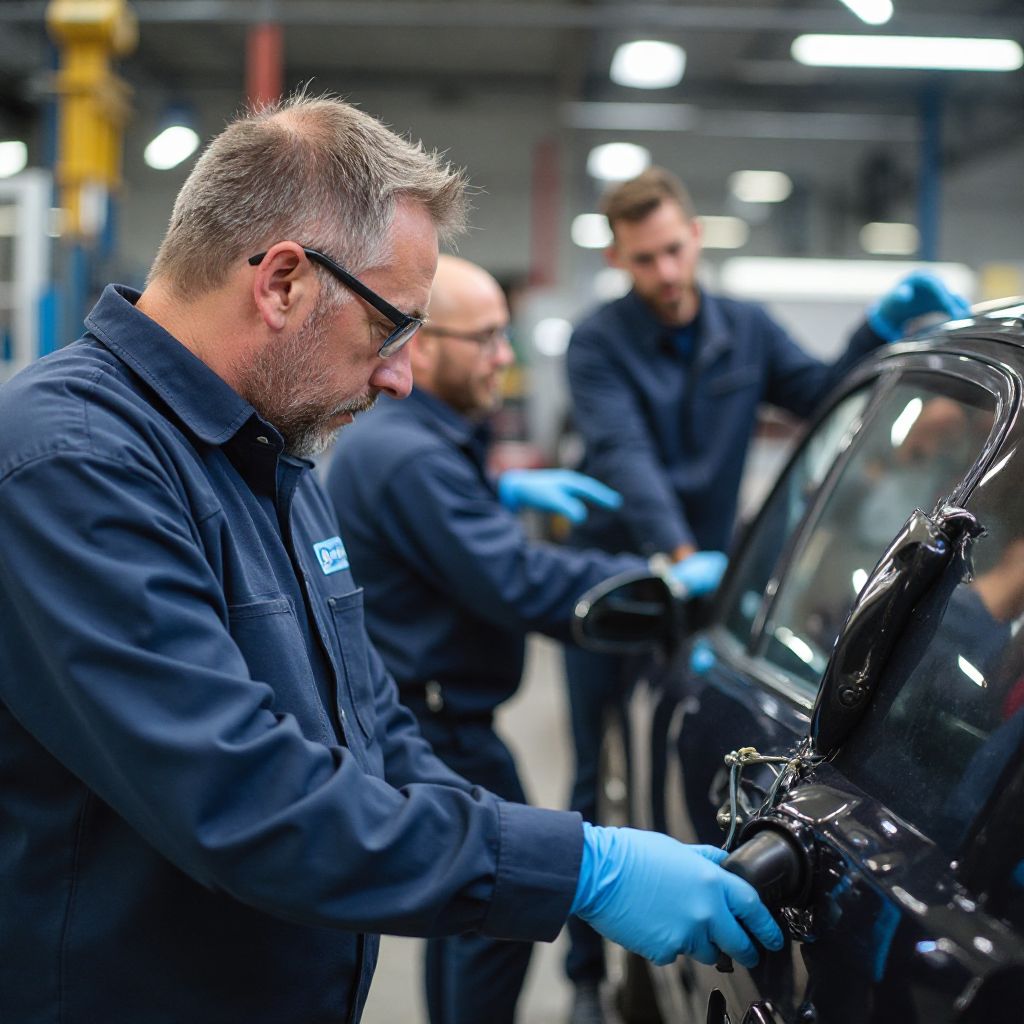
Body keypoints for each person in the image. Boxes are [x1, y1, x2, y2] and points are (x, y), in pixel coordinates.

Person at [0, 97, 783, 1024]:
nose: (400, 377)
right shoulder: (75, 464)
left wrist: (572, 846)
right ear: (283, 282)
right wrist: (580, 874)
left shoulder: (270, 455)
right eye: (389, 329)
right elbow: (245, 801)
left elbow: (369, 726)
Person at [561, 165, 971, 1017]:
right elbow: (624, 453)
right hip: (626, 584)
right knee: (594, 771)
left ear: (695, 239)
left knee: (669, 743)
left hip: (708, 580)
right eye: (645, 260)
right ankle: (586, 979)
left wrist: (876, 332)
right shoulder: (598, 343)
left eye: (674, 250)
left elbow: (824, 398)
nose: (666, 273)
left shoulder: (743, 330)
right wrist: (675, 554)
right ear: (621, 260)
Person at [325, 253, 728, 1024]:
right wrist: (655, 583)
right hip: (435, 728)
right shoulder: (412, 457)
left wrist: (497, 486)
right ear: (424, 344)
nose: (504, 360)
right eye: (486, 340)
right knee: (497, 912)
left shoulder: (415, 441)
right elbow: (517, 580)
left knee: (470, 915)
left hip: (433, 712)